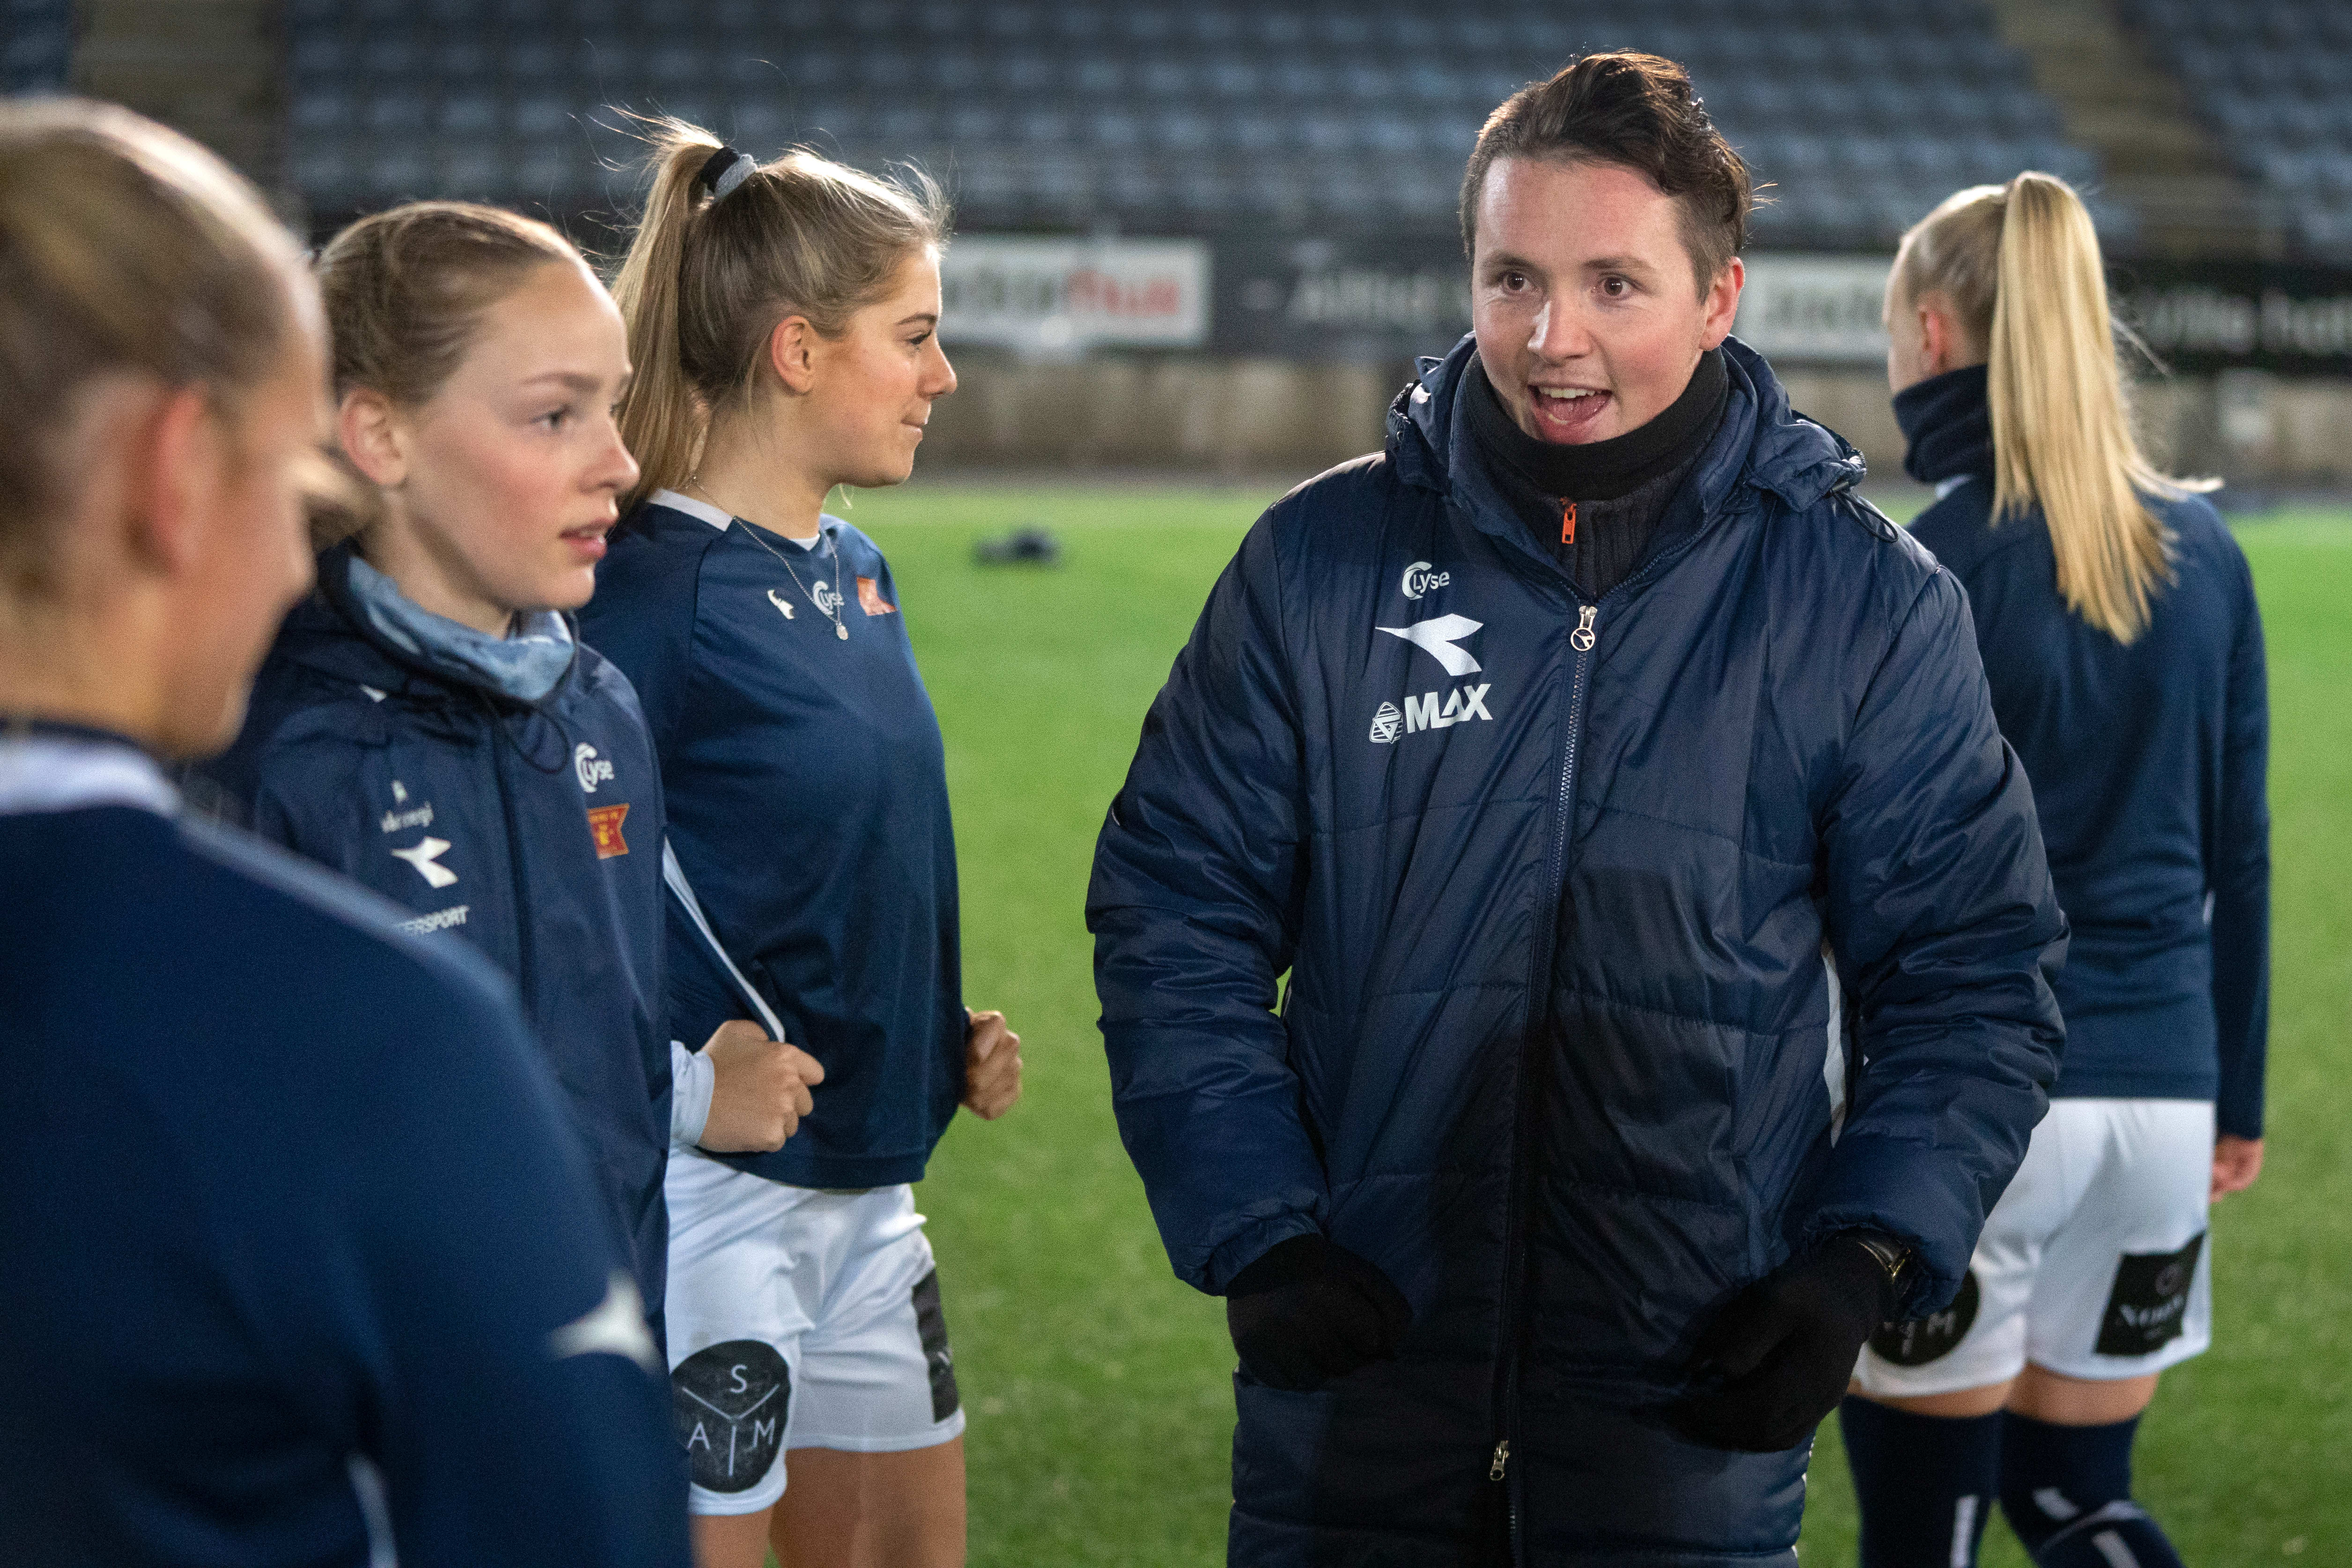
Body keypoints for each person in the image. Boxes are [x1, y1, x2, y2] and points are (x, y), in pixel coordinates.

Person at [1087, 53, 2070, 1567]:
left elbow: (1968, 967)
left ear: (1720, 295)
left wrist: (1863, 1255)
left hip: (1686, 1411)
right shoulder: (1318, 561)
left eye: (1615, 284)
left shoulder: (1866, 602)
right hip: (1359, 1400)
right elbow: (1177, 910)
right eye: (1513, 280)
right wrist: (1258, 1225)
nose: (1553, 340)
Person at [0, 99, 690, 1567]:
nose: (290, 557)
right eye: (287, 477)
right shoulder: (364, 1020)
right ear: (175, 474)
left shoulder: (594, 707)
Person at [199, 201, 824, 1347]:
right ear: (379, 436)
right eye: (553, 415)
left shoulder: (601, 706)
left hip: (596, 1365)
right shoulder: (264, 753)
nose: (618, 463)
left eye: (612, 406)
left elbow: (605, 1068)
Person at [580, 124, 1023, 1568]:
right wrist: (684, 1086)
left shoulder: (857, 569)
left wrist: (923, 1021)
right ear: (797, 351)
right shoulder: (642, 595)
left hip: (871, 1189)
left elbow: (823, 848)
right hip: (715, 1207)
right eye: (916, 337)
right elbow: (552, 894)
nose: (942, 378)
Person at [1839, 173, 2269, 1568]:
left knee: (1928, 1530)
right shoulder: (2209, 556)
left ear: (1931, 333)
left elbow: (1850, 872)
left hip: (1966, 1118)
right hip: (2162, 1107)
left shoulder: (1917, 567)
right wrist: (2234, 1097)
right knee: (2077, 1500)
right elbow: (2239, 855)